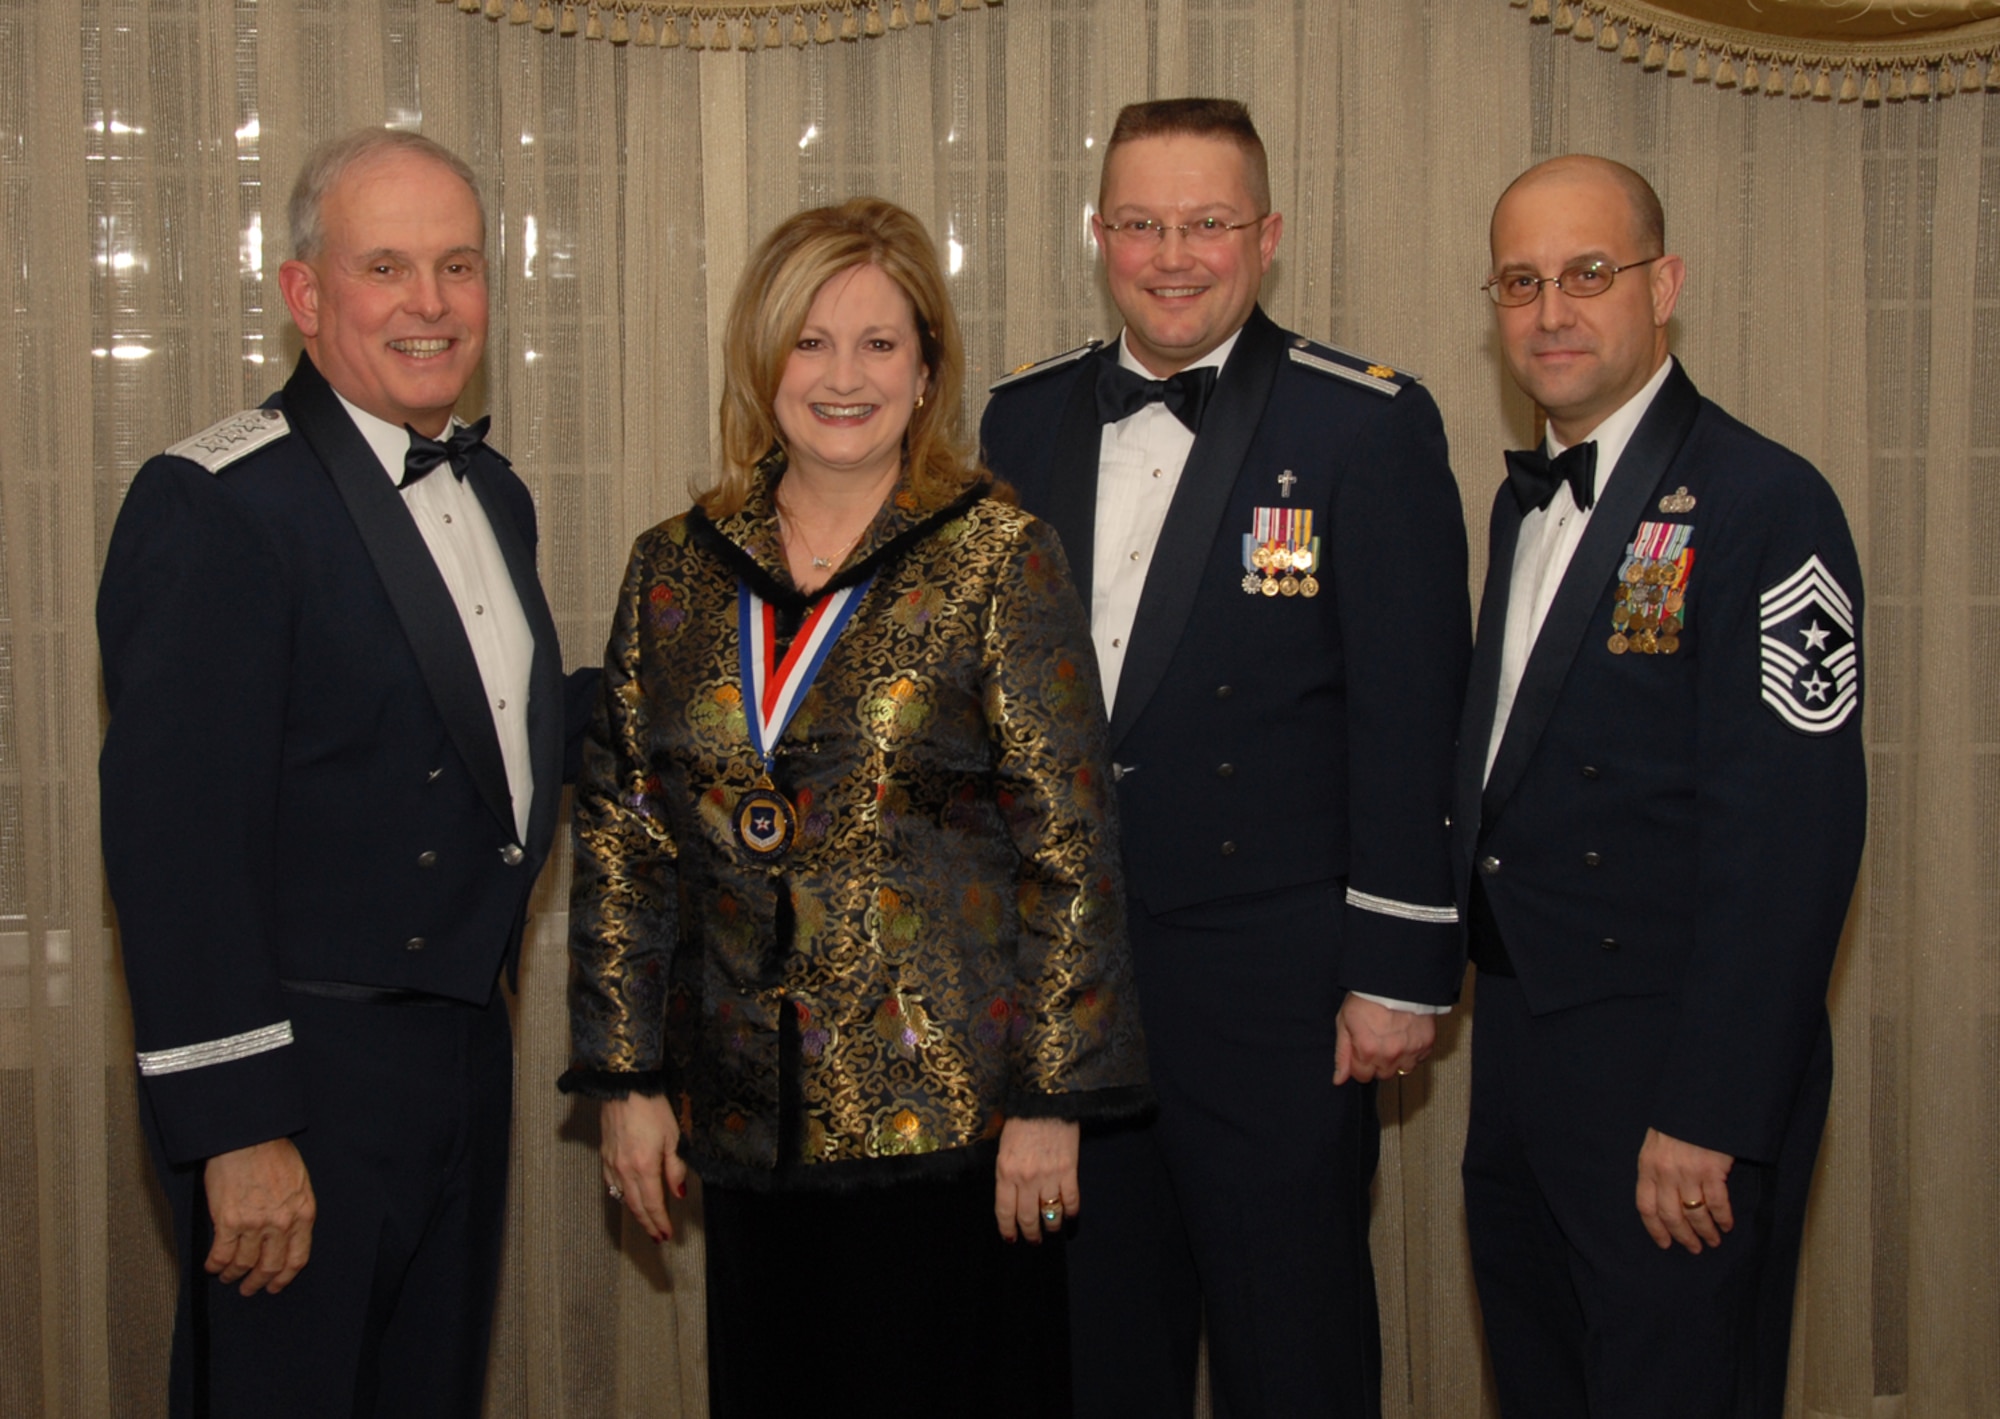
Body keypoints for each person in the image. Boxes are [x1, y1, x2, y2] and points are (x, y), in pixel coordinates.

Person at [561, 195, 1147, 1419]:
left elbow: (1070, 846)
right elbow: (626, 837)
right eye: (810, 341)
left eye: (879, 343)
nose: (842, 377)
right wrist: (626, 1079)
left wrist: (1050, 1102)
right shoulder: (674, 567)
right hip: (747, 1124)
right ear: (761, 361)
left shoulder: (997, 555)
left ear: (926, 371)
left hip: (949, 1129)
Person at [979, 98, 1471, 1419]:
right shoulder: (1020, 421)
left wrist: (1396, 969)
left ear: (1267, 235)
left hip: (1280, 999)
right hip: (1079, 993)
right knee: (1097, 1354)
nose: (1171, 255)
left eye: (1205, 222)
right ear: (1099, 235)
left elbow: (1412, 707)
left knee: (1291, 1351)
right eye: (1141, 223)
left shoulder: (1361, 425)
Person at [98, 128, 594, 1417]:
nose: (431, 303)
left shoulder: (495, 494)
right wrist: (237, 1127)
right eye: (386, 267)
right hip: (300, 1083)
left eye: (457, 266)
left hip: (462, 1055)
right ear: (306, 295)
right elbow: (174, 846)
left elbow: (481, 740)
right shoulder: (218, 504)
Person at [1454, 154, 1867, 1418]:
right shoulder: (1520, 507)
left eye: (1587, 273)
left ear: (1663, 284)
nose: (1550, 312)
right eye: (1519, 282)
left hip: (1672, 1075)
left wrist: (1709, 1112)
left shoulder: (1766, 502)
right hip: (1521, 1051)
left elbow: (1790, 840)